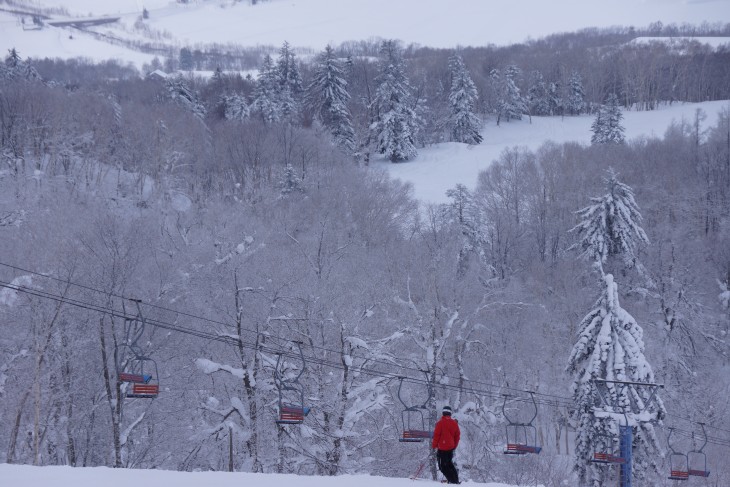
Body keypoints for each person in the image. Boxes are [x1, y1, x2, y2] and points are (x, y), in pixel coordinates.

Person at [432, 405, 460, 484]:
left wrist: (434, 445)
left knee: (442, 467)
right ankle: (455, 480)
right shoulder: (454, 423)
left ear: (443, 413)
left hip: (442, 449)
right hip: (450, 448)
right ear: (450, 414)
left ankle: (452, 481)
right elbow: (457, 436)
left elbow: (436, 435)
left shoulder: (440, 423)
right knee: (449, 464)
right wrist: (454, 446)